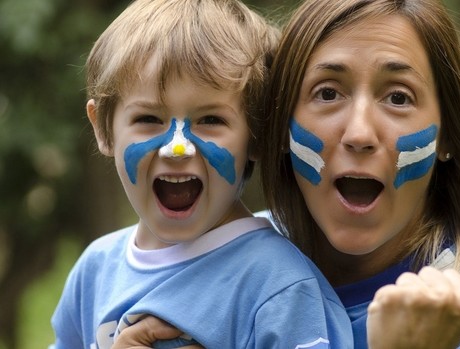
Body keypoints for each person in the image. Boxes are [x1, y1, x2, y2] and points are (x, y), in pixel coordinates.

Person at [112, 0, 460, 348]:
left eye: (398, 98)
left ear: (448, 135)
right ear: (278, 127)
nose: (359, 133)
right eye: (327, 92)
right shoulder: (231, 257)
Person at [49, 0, 353, 348]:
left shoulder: (281, 289)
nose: (177, 148)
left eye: (211, 120)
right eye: (148, 119)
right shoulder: (94, 271)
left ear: (257, 135)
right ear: (104, 129)